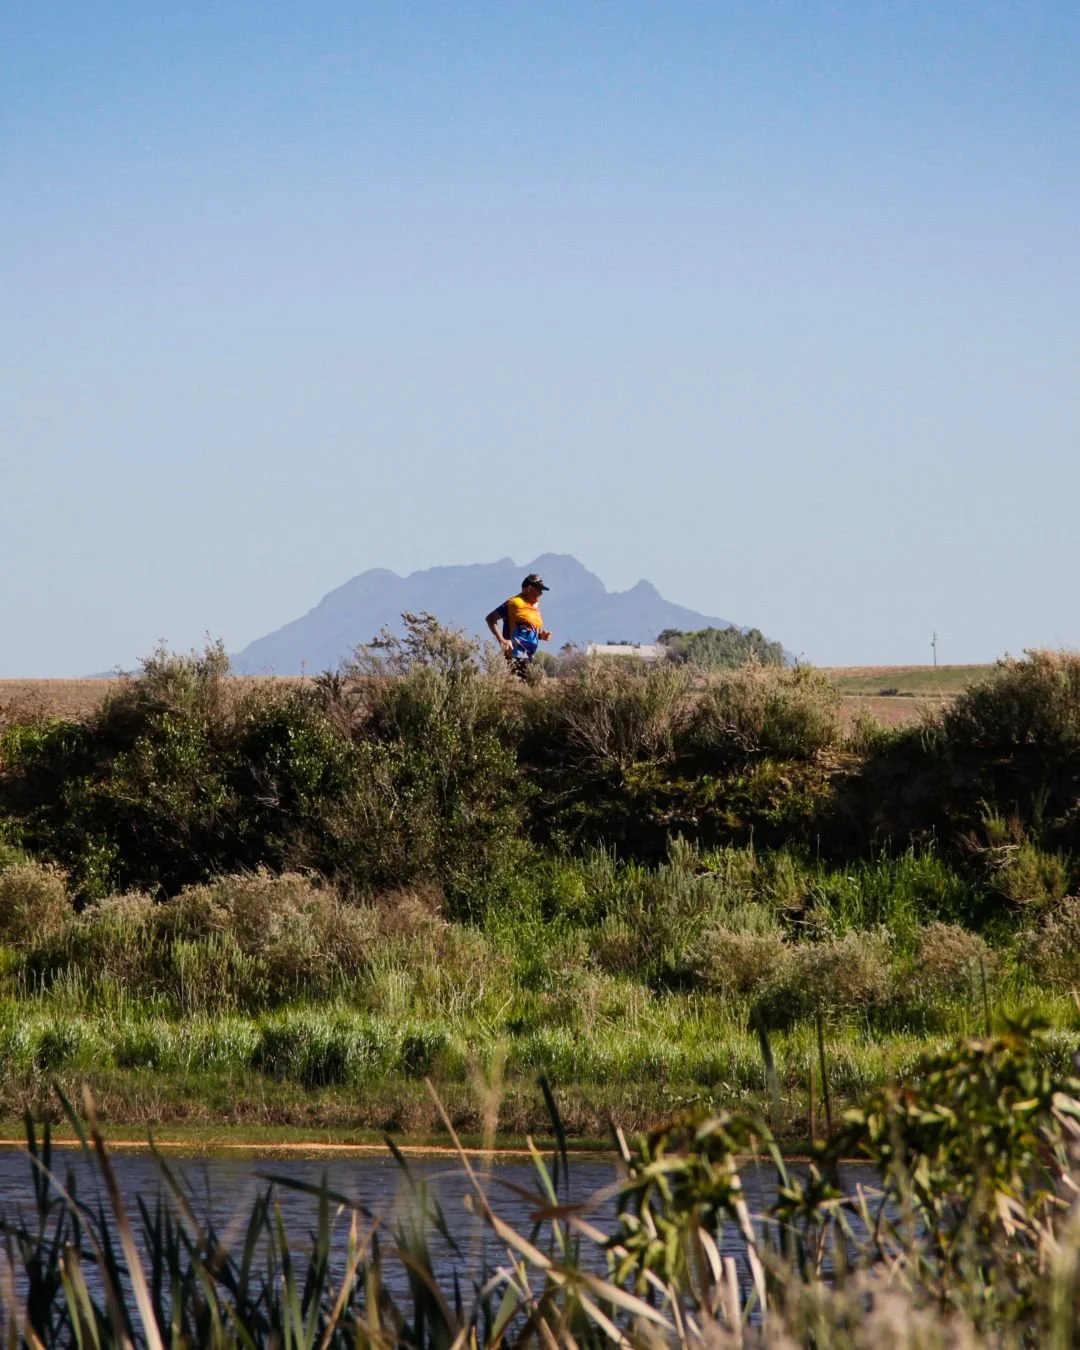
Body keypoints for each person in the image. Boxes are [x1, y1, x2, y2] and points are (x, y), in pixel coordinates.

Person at [485, 574, 552, 679]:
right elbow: (490, 618)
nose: (541, 593)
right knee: (531, 683)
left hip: (528, 656)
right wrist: (502, 640)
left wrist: (540, 636)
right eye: (539, 590)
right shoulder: (515, 604)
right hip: (516, 654)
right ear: (529, 588)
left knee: (532, 684)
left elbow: (524, 631)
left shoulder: (533, 608)